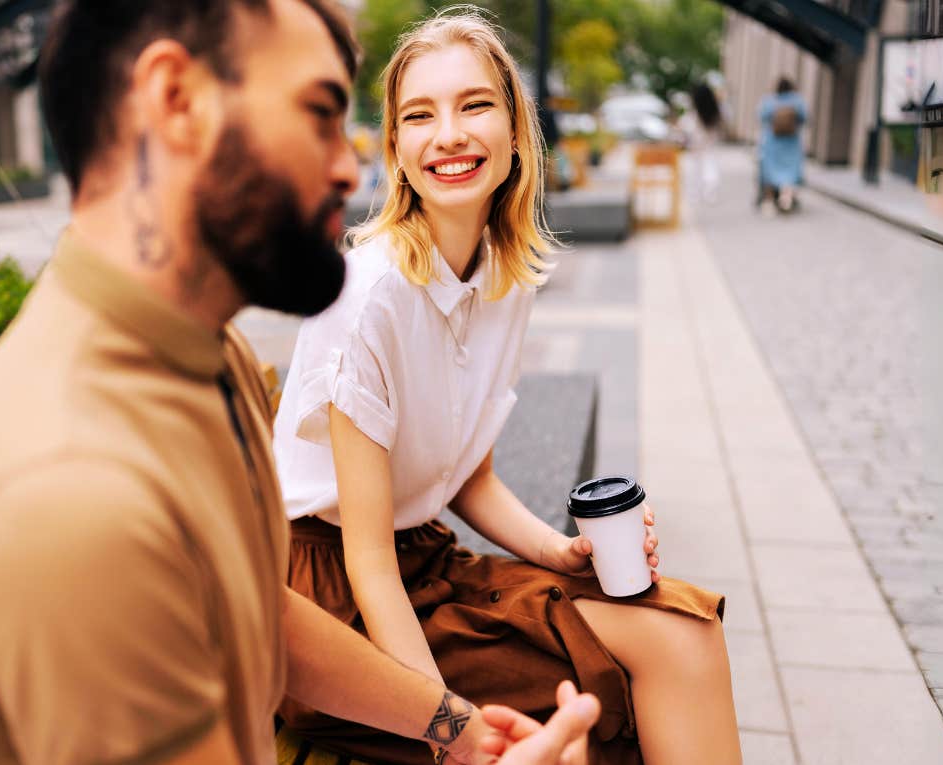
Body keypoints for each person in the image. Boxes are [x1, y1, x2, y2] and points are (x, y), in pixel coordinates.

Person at [0, 1, 598, 763]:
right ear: (177, 102)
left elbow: (266, 620)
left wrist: (460, 733)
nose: (348, 166)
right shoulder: (69, 491)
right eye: (319, 113)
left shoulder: (204, 353)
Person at [272, 9, 742, 765]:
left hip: (421, 558)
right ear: (395, 148)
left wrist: (562, 553)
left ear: (517, 131)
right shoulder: (367, 301)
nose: (449, 135)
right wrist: (444, 730)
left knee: (686, 626)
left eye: (475, 105)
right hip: (335, 601)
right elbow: (366, 563)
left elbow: (468, 472)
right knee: (623, 678)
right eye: (419, 116)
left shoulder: (502, 275)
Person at [757, 77, 808, 215]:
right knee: (789, 172)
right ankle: (786, 198)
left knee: (770, 172)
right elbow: (805, 118)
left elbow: (761, 117)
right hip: (791, 143)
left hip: (772, 143)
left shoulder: (769, 101)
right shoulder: (797, 101)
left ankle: (768, 202)